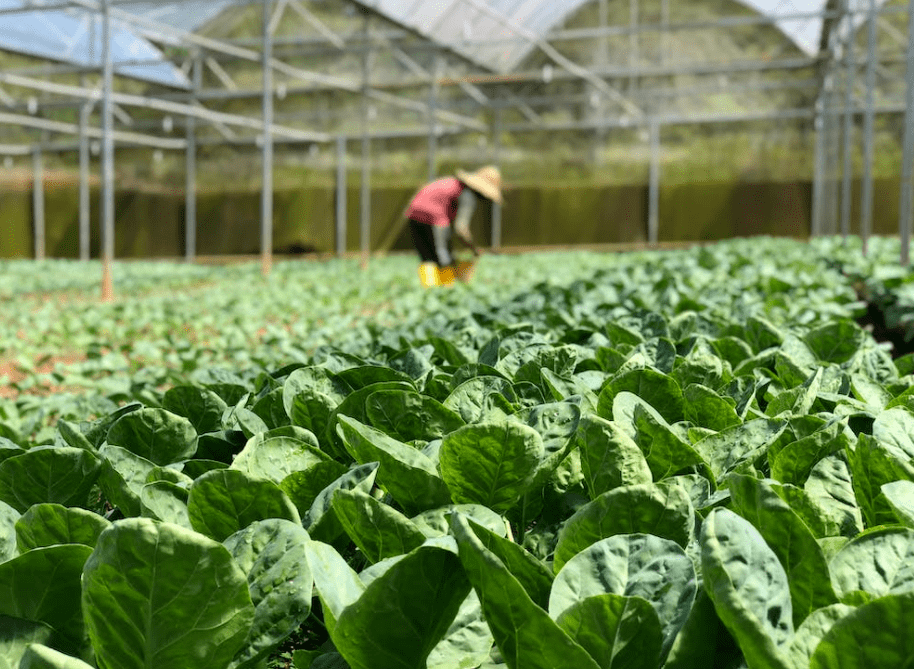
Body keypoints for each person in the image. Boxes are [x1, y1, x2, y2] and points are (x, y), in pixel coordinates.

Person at [405, 165, 503, 283]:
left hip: (413, 213)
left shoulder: (452, 183)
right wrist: (473, 248)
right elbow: (461, 228)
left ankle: (429, 288)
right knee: (443, 254)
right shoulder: (467, 195)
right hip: (435, 216)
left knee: (427, 256)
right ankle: (448, 288)